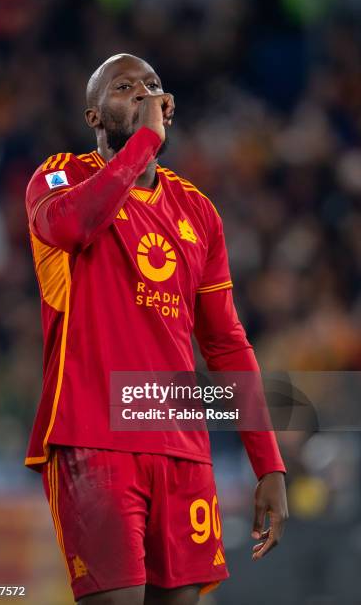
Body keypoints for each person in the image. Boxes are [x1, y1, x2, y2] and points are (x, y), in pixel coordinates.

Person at [24, 53, 288, 605]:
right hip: (93, 438)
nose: (144, 96)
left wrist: (268, 464)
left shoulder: (198, 211)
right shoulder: (59, 177)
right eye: (124, 89)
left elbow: (226, 343)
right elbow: (74, 225)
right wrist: (143, 142)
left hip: (182, 446)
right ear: (94, 117)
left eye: (153, 87)